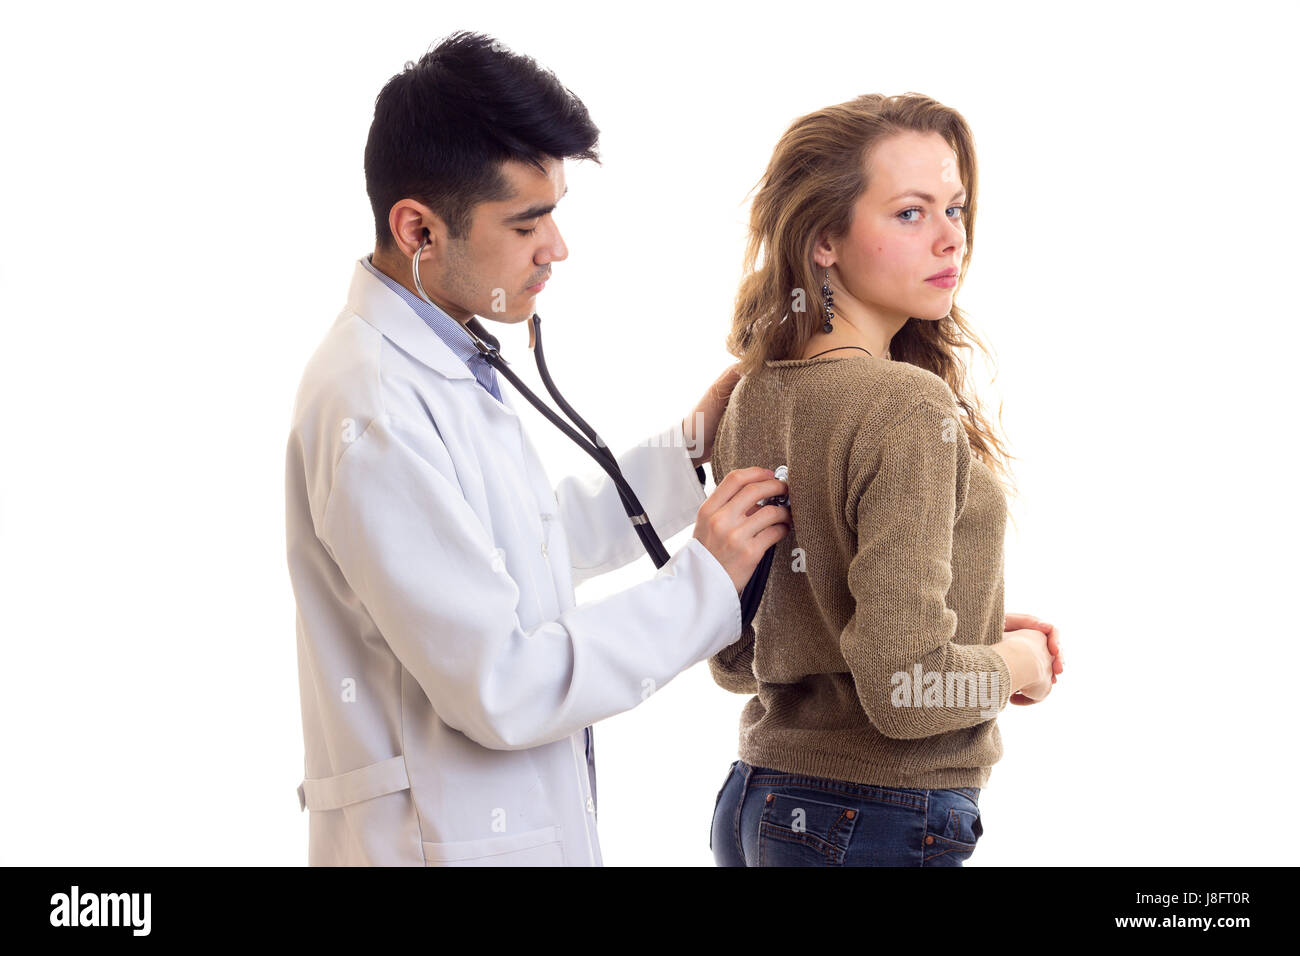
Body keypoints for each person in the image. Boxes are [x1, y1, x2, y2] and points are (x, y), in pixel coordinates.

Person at [284, 31, 790, 866]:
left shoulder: (440, 351)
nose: (557, 248)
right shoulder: (371, 408)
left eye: (554, 212)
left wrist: (686, 453)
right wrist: (704, 583)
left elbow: (520, 545)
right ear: (418, 230)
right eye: (528, 223)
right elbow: (503, 687)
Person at [706, 93, 1065, 866]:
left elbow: (737, 659)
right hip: (873, 817)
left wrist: (971, 631)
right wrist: (1019, 666)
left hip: (759, 805)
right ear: (825, 238)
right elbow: (907, 690)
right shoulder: (905, 403)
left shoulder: (752, 392)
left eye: (956, 209)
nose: (949, 239)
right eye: (910, 213)